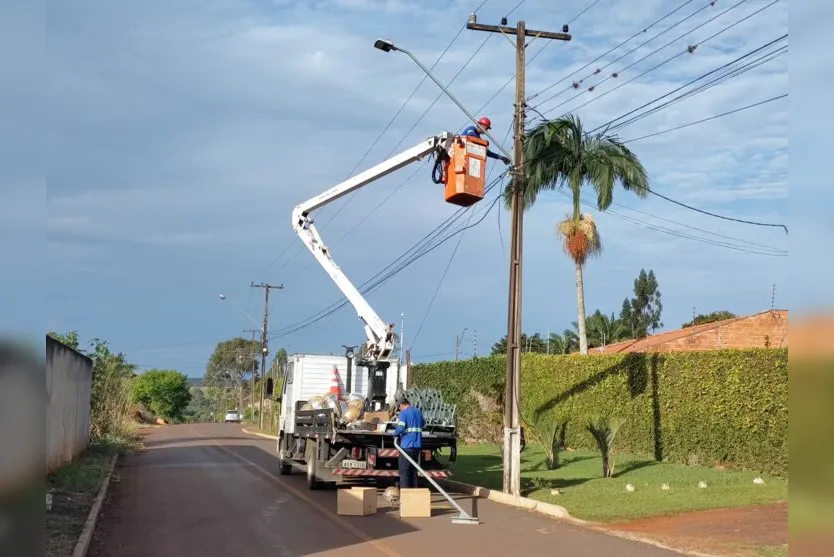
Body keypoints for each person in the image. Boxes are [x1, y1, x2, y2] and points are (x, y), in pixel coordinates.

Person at [393, 397, 424, 489]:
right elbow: (423, 424)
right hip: (417, 446)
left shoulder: (404, 413)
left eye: (399, 408)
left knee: (404, 472)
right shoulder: (418, 412)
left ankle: (405, 495)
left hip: (406, 447)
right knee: (413, 471)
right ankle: (414, 493)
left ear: (402, 405)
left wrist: (395, 434)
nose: (400, 409)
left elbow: (401, 428)